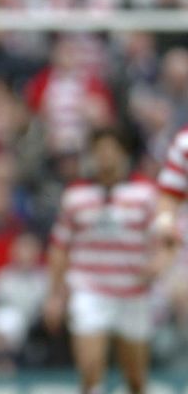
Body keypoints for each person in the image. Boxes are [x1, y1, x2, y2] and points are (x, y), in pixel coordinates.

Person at [43, 127, 173, 394]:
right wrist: (55, 295)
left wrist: (160, 261)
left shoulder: (145, 194)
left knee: (136, 379)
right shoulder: (76, 195)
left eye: (112, 150)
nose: (106, 157)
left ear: (124, 154)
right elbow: (59, 247)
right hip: (89, 289)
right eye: (100, 151)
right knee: (90, 371)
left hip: (132, 292)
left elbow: (167, 236)